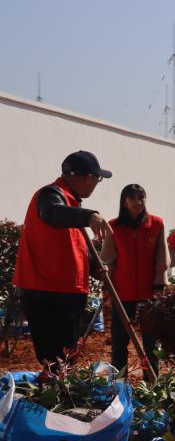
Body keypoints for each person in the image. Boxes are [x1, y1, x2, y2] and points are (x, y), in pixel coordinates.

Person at [14, 151, 113, 365]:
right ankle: (55, 386)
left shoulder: (71, 204)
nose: (96, 184)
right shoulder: (50, 195)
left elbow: (74, 247)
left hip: (65, 292)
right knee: (56, 360)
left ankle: (58, 385)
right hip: (47, 293)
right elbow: (52, 213)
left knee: (64, 359)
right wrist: (89, 216)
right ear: (88, 178)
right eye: (98, 179)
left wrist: (95, 267)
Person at [100, 184, 167, 377]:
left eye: (141, 197)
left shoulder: (156, 224)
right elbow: (108, 260)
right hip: (122, 294)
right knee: (119, 343)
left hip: (149, 293)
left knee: (151, 344)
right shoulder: (114, 227)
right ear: (124, 202)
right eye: (133, 198)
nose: (138, 202)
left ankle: (152, 383)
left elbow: (162, 257)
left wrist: (159, 284)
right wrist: (107, 286)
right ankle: (119, 383)